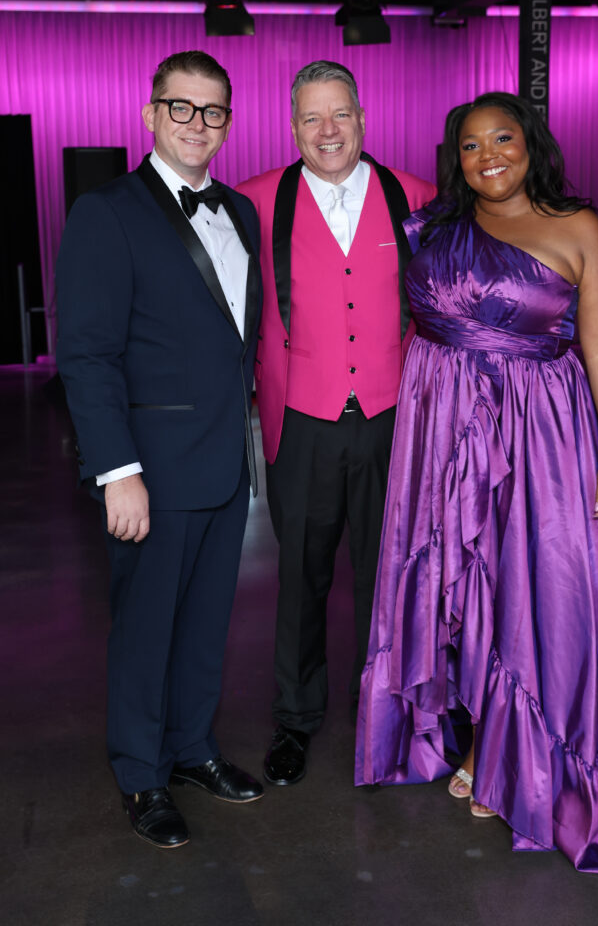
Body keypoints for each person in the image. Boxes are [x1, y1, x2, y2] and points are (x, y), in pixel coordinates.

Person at [355, 91, 598, 873]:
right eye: (469, 145)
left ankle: (527, 757)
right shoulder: (436, 223)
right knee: (459, 582)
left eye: (502, 138)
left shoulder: (579, 230)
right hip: (440, 424)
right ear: (455, 158)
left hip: (539, 430)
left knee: (538, 586)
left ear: (531, 144)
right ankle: (474, 741)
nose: (487, 155)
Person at [56, 50, 264, 849]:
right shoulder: (106, 212)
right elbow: (87, 354)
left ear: (227, 122)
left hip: (222, 463)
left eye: (213, 111)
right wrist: (118, 472)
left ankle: (192, 750)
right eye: (182, 108)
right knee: (146, 629)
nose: (197, 125)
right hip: (149, 466)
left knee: (206, 624)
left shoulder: (240, 213)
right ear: (151, 114)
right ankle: (140, 774)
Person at [237, 60, 435, 786]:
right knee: (300, 578)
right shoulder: (256, 200)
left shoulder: (414, 196)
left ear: (362, 115)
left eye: (340, 114)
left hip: (392, 418)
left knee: (393, 576)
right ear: (293, 127)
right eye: (312, 118)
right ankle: (295, 718)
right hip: (303, 417)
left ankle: (392, 711)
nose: (327, 131)